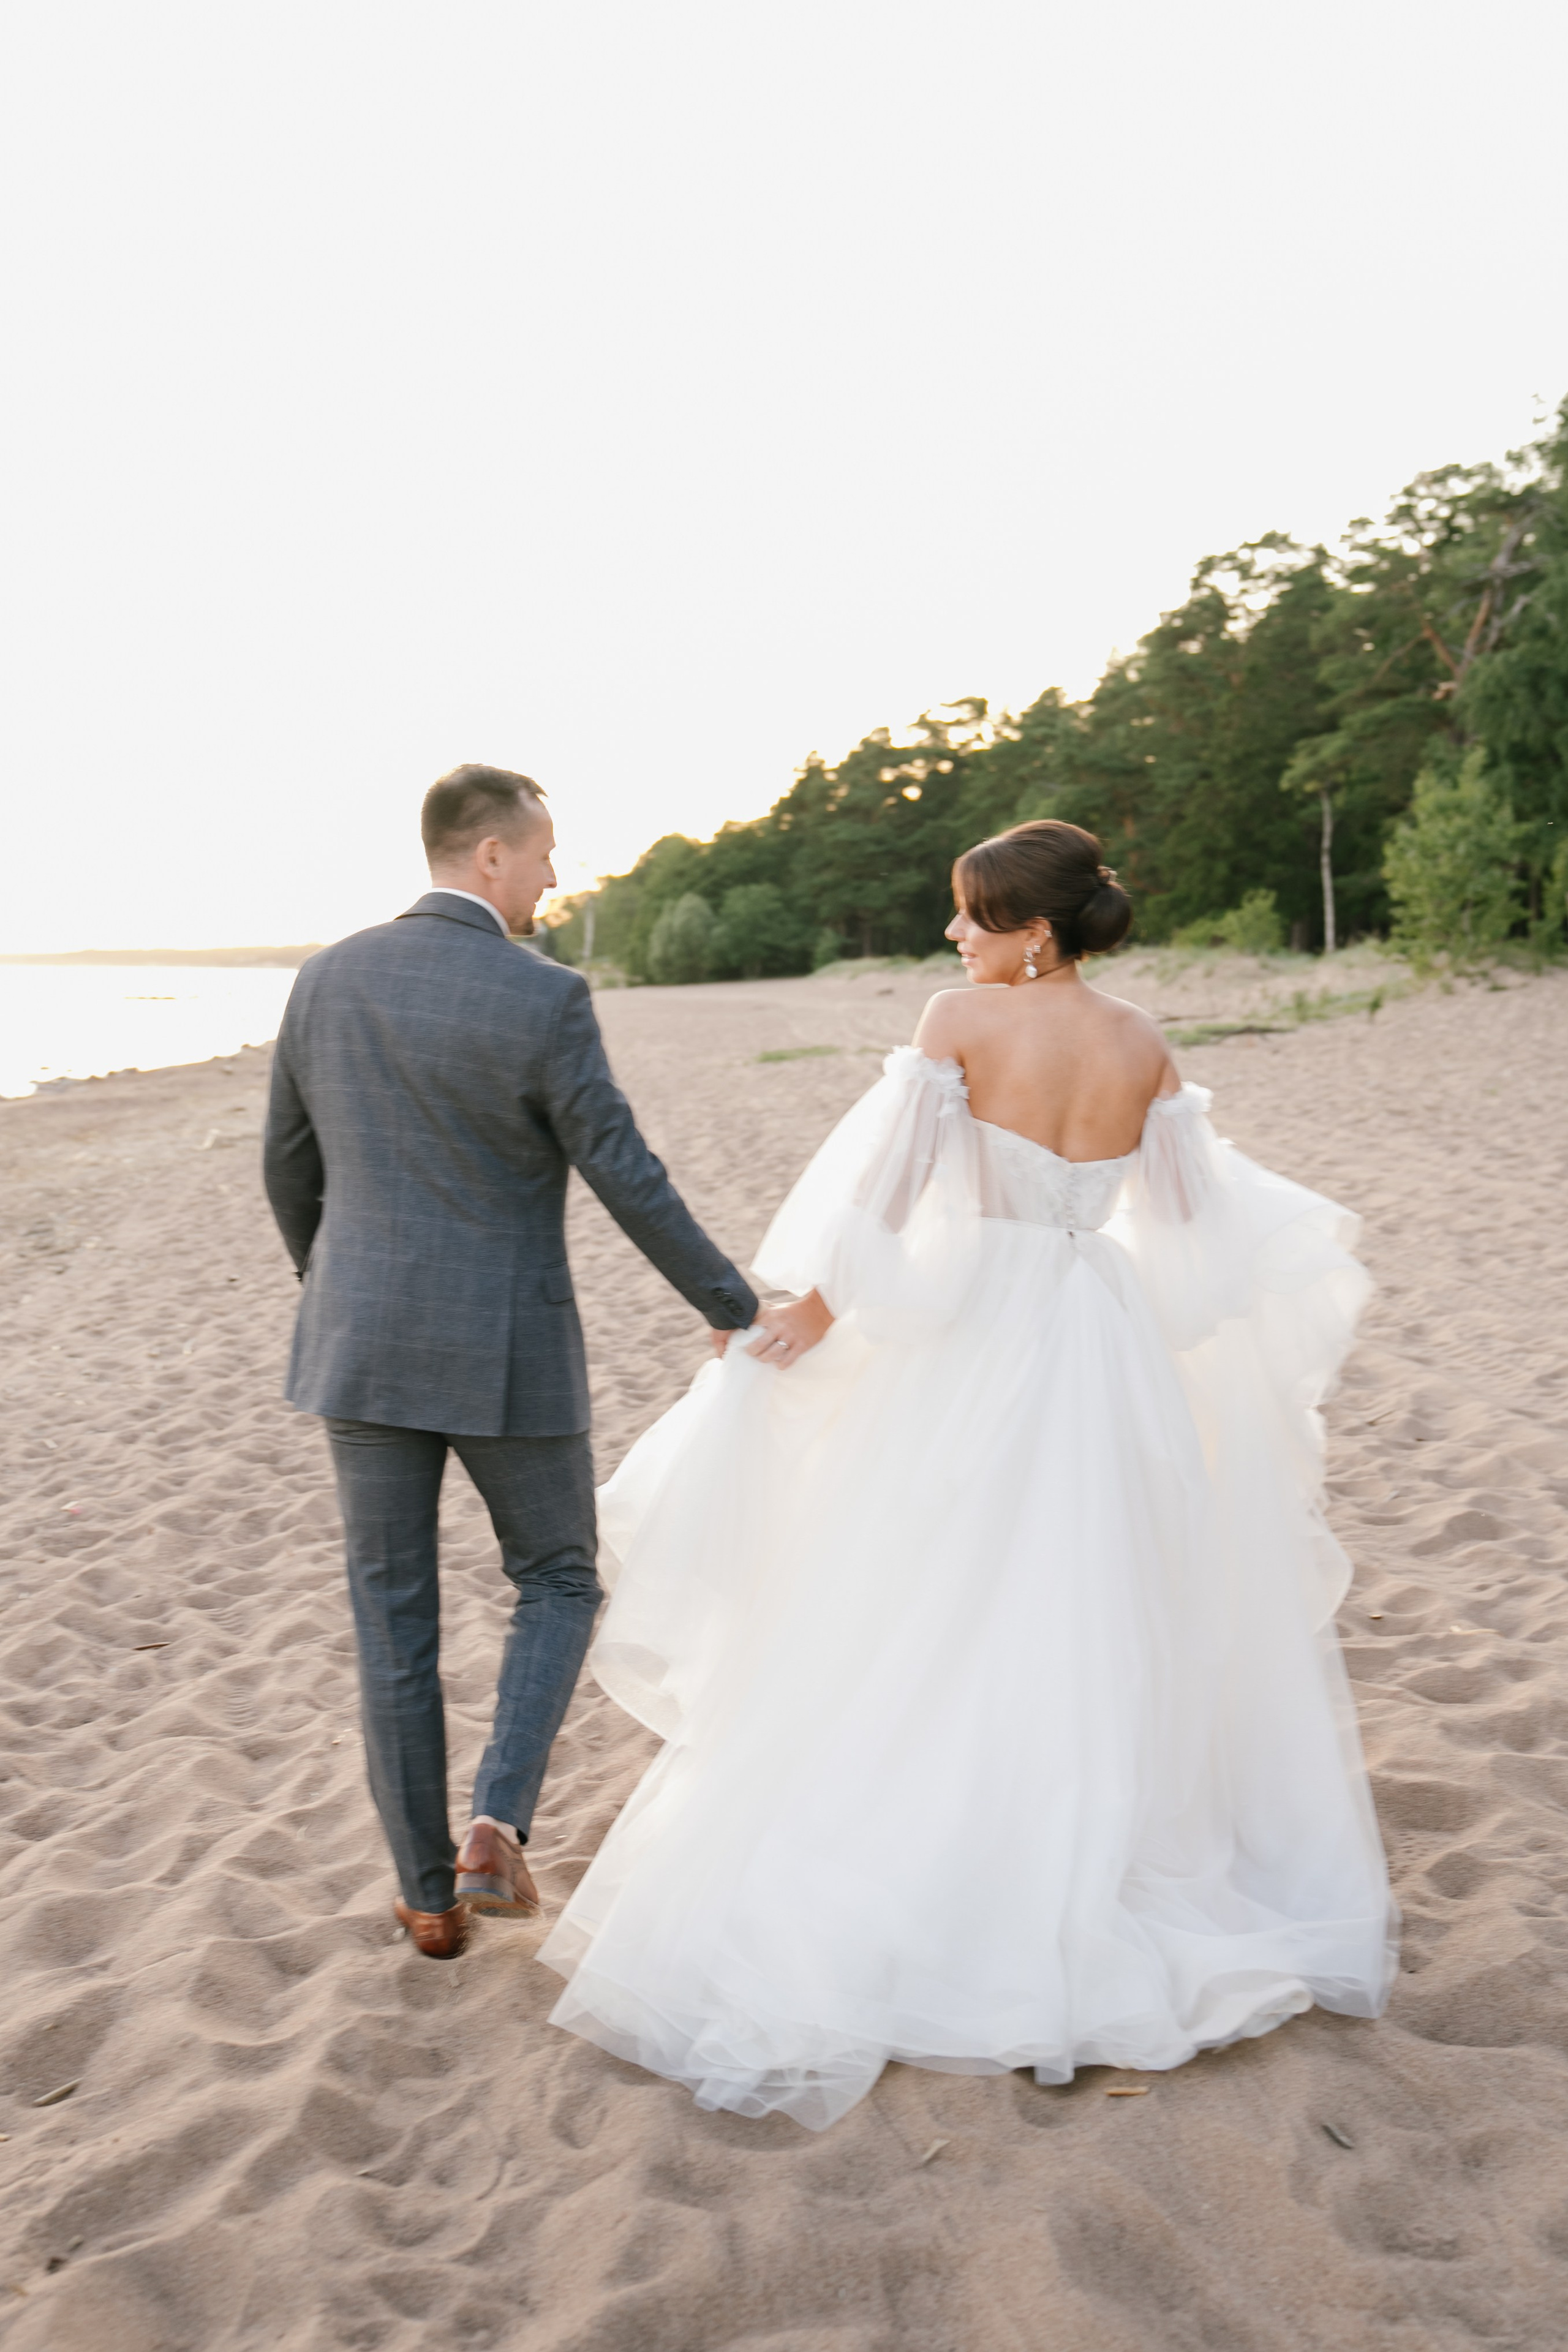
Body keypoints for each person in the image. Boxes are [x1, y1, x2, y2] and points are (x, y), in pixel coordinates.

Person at [540, 819, 1396, 2128]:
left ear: (1030, 932)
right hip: (1099, 1333)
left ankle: (958, 1867)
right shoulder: (1142, 1047)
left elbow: (879, 1210)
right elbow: (1194, 1242)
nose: (953, 936)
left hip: (985, 1330)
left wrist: (799, 1327)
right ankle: (1090, 1850)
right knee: (1092, 1596)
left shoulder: (956, 1021)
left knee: (927, 1587)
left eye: (969, 915)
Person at [262, 764, 757, 1959]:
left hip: (360, 1347)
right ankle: (495, 1824)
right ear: (489, 855)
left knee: (394, 1620)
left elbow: (287, 1162)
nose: (552, 876)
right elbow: (621, 1168)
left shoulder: (325, 978)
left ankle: (427, 1897)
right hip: (506, 1350)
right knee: (557, 1577)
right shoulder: (541, 996)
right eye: (544, 854)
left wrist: (335, 1286)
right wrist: (729, 1302)